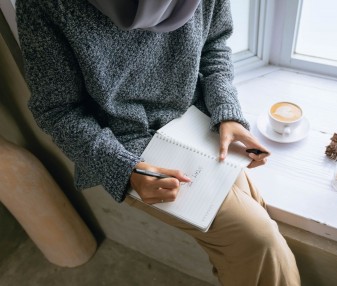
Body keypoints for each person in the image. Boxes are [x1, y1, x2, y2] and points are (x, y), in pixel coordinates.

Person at [16, 0, 300, 285]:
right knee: (257, 239)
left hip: (196, 117)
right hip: (127, 145)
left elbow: (214, 44)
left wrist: (228, 114)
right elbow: (58, 110)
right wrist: (124, 169)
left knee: (252, 238)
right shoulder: (46, 5)